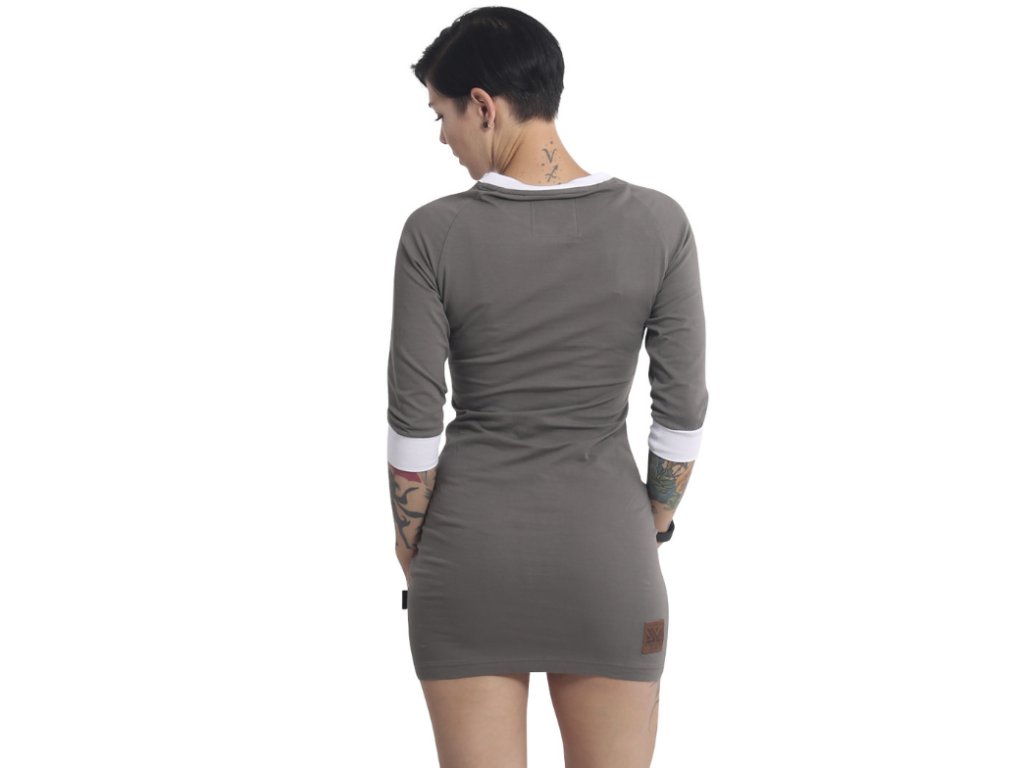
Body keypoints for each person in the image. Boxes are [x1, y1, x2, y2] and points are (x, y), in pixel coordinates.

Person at [386, 7, 708, 767]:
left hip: (469, 558)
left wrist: (411, 548)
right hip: (608, 557)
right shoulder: (659, 224)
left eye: (441, 114)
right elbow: (681, 413)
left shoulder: (434, 234)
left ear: (484, 106)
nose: (443, 138)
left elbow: (413, 427)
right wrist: (652, 522)